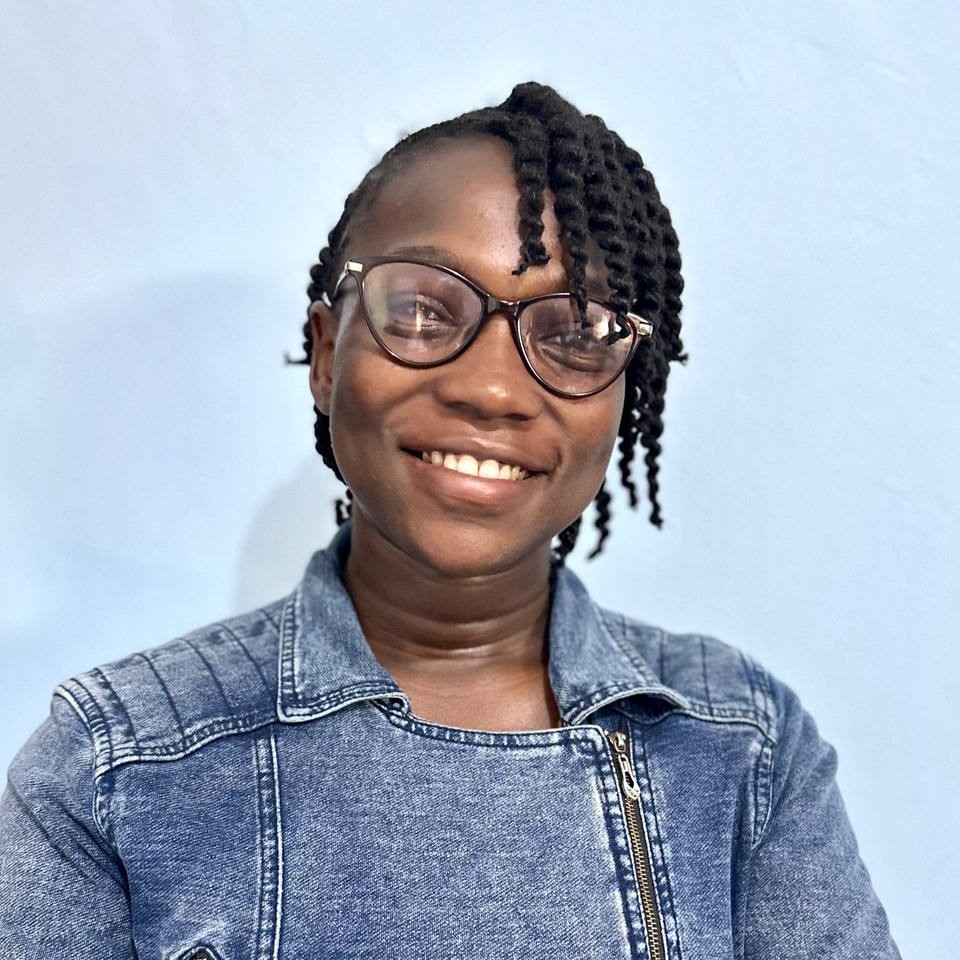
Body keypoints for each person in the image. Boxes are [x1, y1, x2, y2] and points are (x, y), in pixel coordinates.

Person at [0, 82, 900, 959]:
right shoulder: (116, 767)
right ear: (327, 355)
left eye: (575, 332)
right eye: (426, 310)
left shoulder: (742, 744)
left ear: (624, 394)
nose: (492, 389)